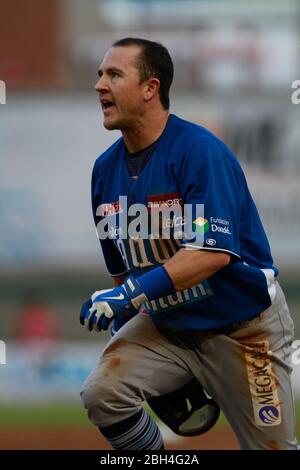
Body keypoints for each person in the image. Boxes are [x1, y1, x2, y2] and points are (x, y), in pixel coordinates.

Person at [80, 37, 297, 450]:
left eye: (113, 74)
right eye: (99, 75)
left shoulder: (198, 152)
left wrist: (129, 294)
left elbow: (210, 254)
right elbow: (122, 270)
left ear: (151, 88)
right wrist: (118, 309)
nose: (99, 85)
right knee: (103, 395)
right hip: (168, 327)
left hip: (243, 329)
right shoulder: (104, 172)